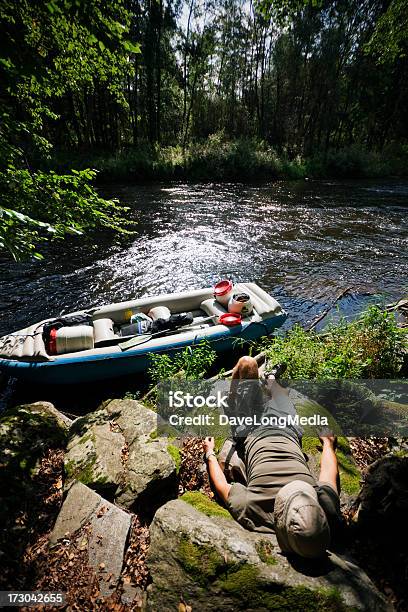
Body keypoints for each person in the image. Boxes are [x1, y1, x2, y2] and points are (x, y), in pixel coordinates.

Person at [203, 356, 343, 559]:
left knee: (247, 363)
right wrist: (328, 444)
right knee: (277, 393)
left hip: (251, 428)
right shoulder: (319, 512)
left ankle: (237, 395)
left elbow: (222, 486)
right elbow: (329, 474)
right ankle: (270, 377)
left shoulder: (254, 510)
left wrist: (209, 454)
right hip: (287, 427)